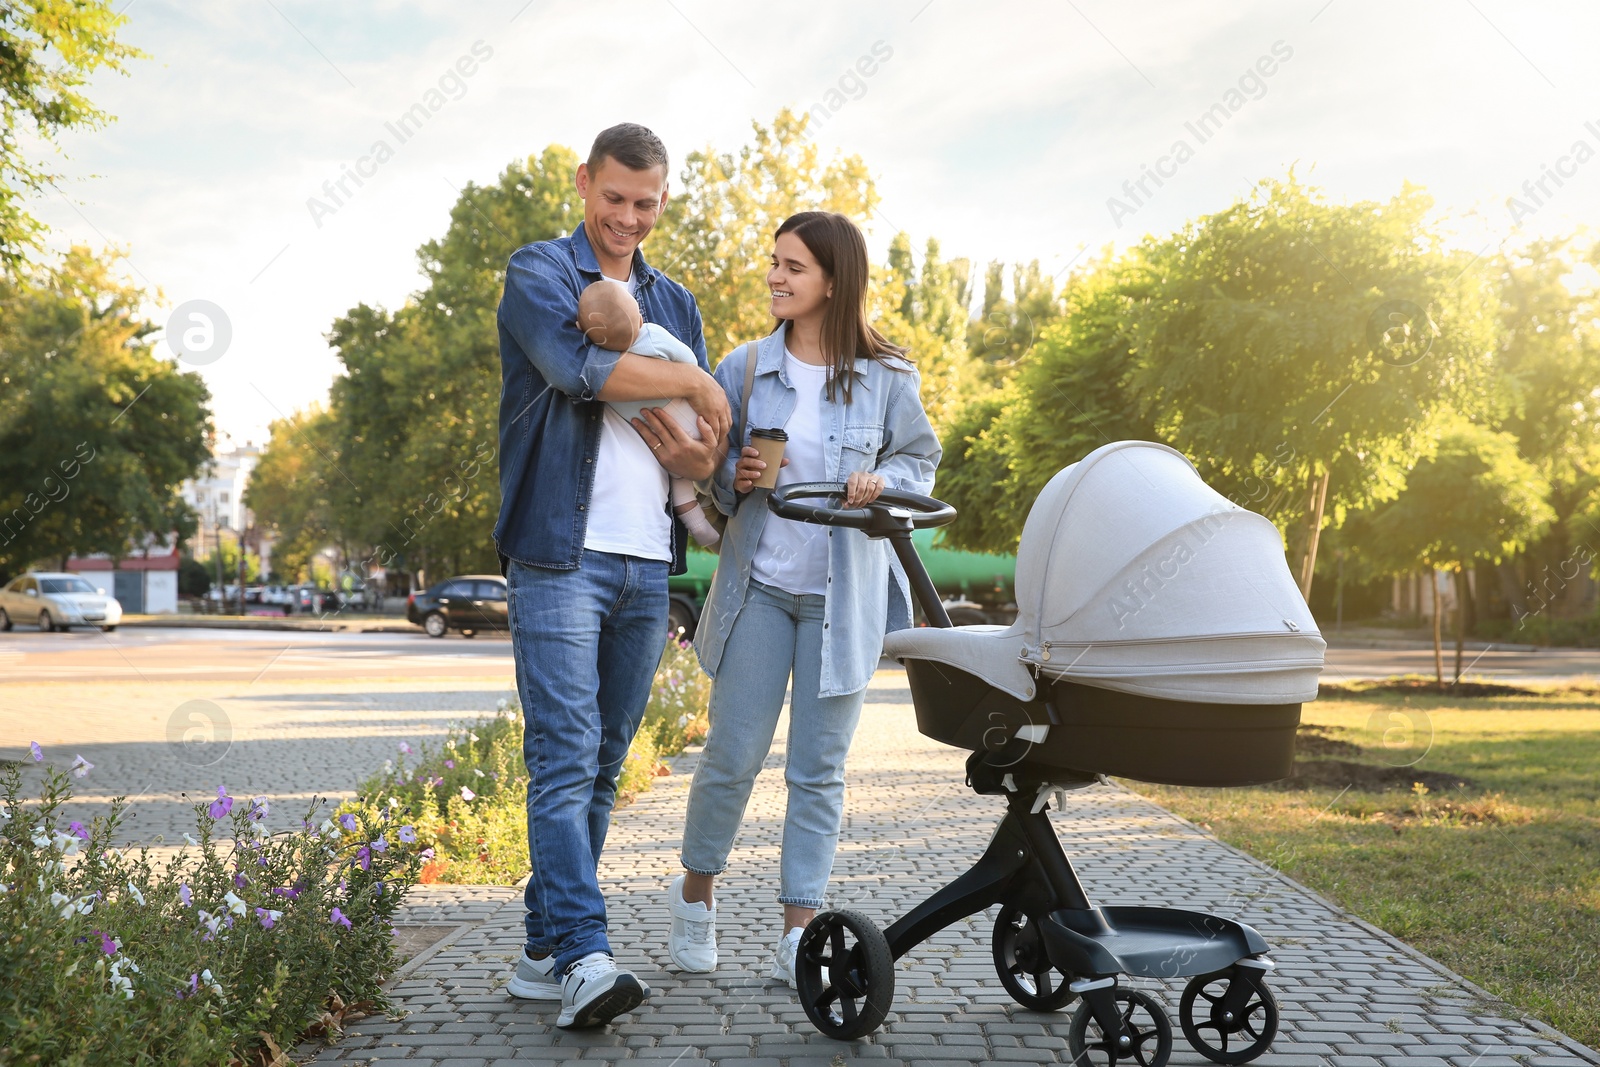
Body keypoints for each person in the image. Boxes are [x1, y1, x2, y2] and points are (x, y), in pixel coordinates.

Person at [493, 122, 729, 1029]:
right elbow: (574, 369)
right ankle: (588, 955)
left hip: (647, 561)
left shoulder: (677, 298)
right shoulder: (540, 272)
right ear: (584, 182)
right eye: (614, 198)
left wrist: (706, 454)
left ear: (662, 200)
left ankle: (541, 952)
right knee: (560, 760)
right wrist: (703, 387)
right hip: (558, 551)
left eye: (647, 204)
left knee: (600, 767)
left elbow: (707, 441)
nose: (627, 219)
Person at [665, 211, 941, 984]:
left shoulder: (890, 377)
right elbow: (711, 472)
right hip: (760, 586)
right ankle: (696, 897)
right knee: (732, 755)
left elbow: (921, 464)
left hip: (841, 597)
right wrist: (736, 478)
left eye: (792, 266)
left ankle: (800, 930)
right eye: (774, 262)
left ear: (832, 281)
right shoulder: (745, 367)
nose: (775, 277)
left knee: (818, 770)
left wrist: (884, 481)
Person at [577, 277, 723, 547]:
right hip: (689, 422)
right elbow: (691, 365)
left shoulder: (602, 361)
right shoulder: (652, 336)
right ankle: (700, 526)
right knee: (680, 467)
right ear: (640, 318)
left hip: (653, 433)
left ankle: (696, 523)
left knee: (674, 471)